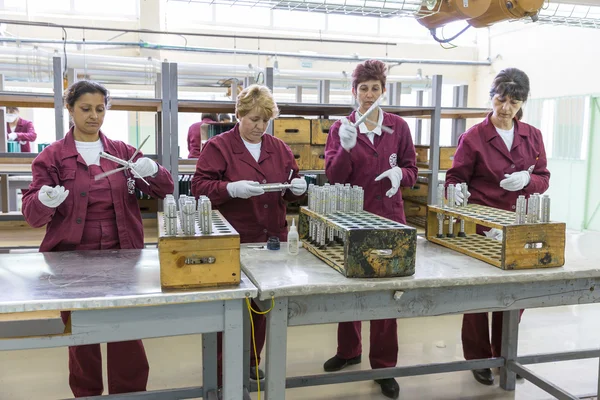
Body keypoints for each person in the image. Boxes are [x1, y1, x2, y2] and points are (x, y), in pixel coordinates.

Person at [21, 80, 174, 397]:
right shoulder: (51, 157)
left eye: (100, 109)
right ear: (70, 109)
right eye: (85, 109)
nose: (93, 116)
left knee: (127, 334)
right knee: (82, 337)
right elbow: (33, 216)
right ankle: (87, 393)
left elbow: (164, 189)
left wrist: (153, 169)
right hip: (71, 260)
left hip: (123, 257)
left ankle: (129, 393)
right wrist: (44, 200)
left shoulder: (122, 152)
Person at [191, 84, 307, 382]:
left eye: (265, 121)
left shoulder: (278, 148)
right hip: (235, 241)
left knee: (262, 305)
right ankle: (221, 369)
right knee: (229, 307)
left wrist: (298, 189)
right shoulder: (218, 147)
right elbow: (198, 188)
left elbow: (291, 185)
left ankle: (252, 360)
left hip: (271, 240)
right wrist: (229, 189)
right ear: (238, 115)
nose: (259, 126)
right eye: (254, 119)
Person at [446, 68, 550, 386]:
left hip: (518, 226)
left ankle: (505, 357)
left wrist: (528, 180)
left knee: (513, 298)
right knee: (479, 297)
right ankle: (478, 360)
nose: (505, 108)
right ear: (491, 97)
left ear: (522, 103)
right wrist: (456, 190)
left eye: (514, 102)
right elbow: (455, 177)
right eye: (500, 99)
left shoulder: (532, 135)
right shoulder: (474, 137)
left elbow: (543, 178)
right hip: (481, 226)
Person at [323, 59, 418, 399]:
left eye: (374, 88)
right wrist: (346, 148)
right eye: (362, 88)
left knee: (387, 294)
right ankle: (349, 351)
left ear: (383, 91)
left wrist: (400, 176)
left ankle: (384, 366)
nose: (368, 94)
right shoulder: (342, 128)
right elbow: (334, 176)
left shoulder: (399, 127)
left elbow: (412, 169)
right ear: (354, 91)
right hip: (352, 220)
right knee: (349, 288)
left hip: (391, 219)